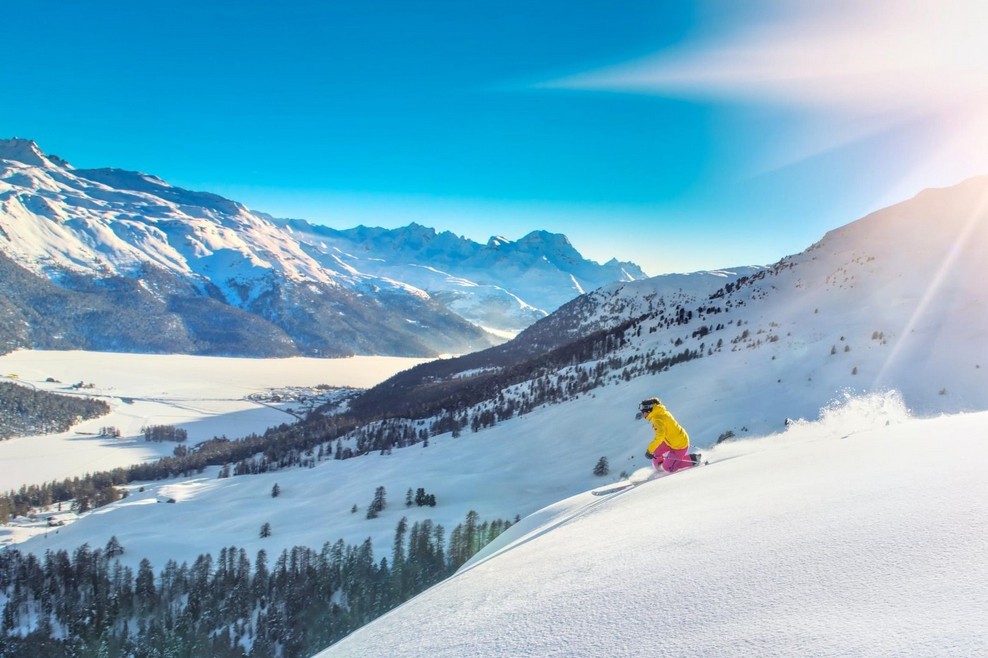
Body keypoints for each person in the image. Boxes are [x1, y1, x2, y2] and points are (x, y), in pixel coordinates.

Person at [639, 397, 700, 473]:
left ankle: (693, 459)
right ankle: (661, 466)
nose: (642, 414)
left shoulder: (657, 420)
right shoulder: (661, 412)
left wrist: (649, 451)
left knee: (669, 468)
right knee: (656, 453)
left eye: (643, 412)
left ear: (648, 410)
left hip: (679, 445)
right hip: (671, 441)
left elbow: (660, 437)